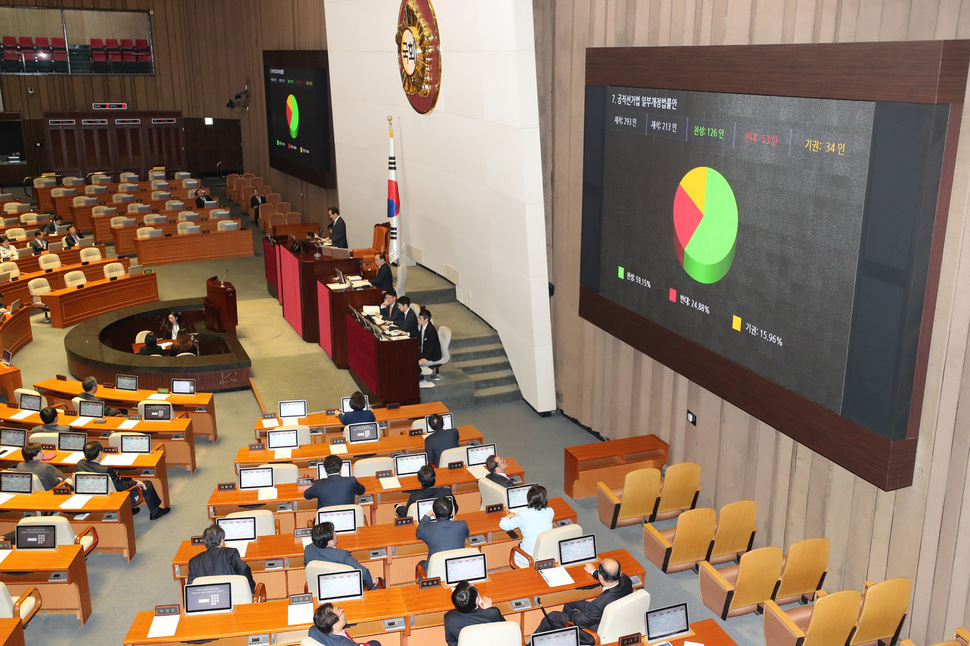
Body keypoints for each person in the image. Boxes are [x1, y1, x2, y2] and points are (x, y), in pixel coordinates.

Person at [532, 558, 633, 640]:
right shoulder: (626, 580)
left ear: (601, 576)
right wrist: (593, 571)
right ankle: (566, 635)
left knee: (552, 617)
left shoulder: (598, 604)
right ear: (620, 573)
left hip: (594, 633)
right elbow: (609, 578)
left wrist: (574, 613)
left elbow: (580, 621)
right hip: (608, 617)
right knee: (571, 602)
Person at [76, 441, 170, 519]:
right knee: (147, 484)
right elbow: (121, 487)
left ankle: (130, 510)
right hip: (115, 496)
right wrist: (136, 482)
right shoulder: (106, 470)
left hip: (95, 493)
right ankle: (155, 512)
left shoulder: (80, 464)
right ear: (100, 453)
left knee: (124, 477)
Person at [304, 521, 376, 589]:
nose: (335, 533)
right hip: (342, 589)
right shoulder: (342, 555)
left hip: (319, 589)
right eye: (334, 533)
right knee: (377, 583)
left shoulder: (308, 550)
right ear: (329, 543)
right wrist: (371, 582)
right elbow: (363, 572)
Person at [187, 523, 257, 593]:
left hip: (207, 600)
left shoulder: (194, 561)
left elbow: (190, 587)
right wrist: (250, 589)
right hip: (233, 596)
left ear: (205, 542)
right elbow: (244, 568)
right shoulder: (231, 553)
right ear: (221, 541)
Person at [499, 485, 554, 567]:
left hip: (528, 559)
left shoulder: (523, 515)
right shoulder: (550, 512)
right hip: (546, 555)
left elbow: (504, 525)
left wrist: (506, 517)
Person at [415, 496, 469, 572]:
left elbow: (418, 533)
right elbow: (466, 533)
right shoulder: (462, 525)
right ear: (452, 513)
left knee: (421, 564)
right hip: (457, 569)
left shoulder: (426, 528)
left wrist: (427, 515)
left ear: (434, 513)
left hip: (435, 571)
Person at [443, 581, 504, 646]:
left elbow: (451, 642)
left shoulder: (449, 618)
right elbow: (505, 629)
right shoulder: (492, 613)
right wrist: (488, 610)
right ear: (477, 600)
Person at [306, 603, 381, 646]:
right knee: (376, 643)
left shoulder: (313, 630)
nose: (343, 610)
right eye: (340, 611)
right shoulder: (346, 644)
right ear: (335, 625)